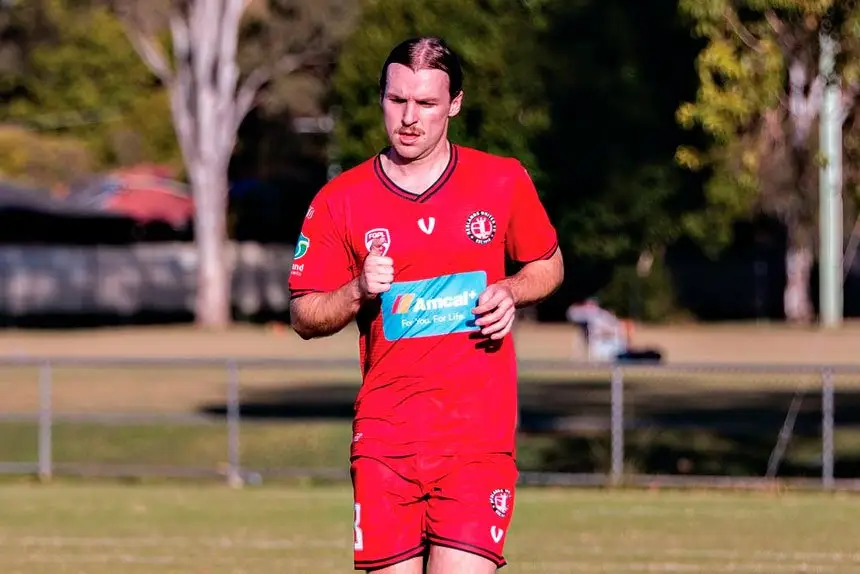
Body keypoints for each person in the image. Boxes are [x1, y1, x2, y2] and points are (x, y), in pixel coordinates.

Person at [288, 36, 564, 574]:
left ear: (455, 103)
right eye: (398, 101)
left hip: (477, 439)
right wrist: (356, 290)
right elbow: (303, 314)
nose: (409, 118)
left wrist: (511, 290)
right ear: (382, 99)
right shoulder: (340, 200)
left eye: (426, 103)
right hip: (385, 440)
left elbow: (548, 264)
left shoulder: (501, 180)